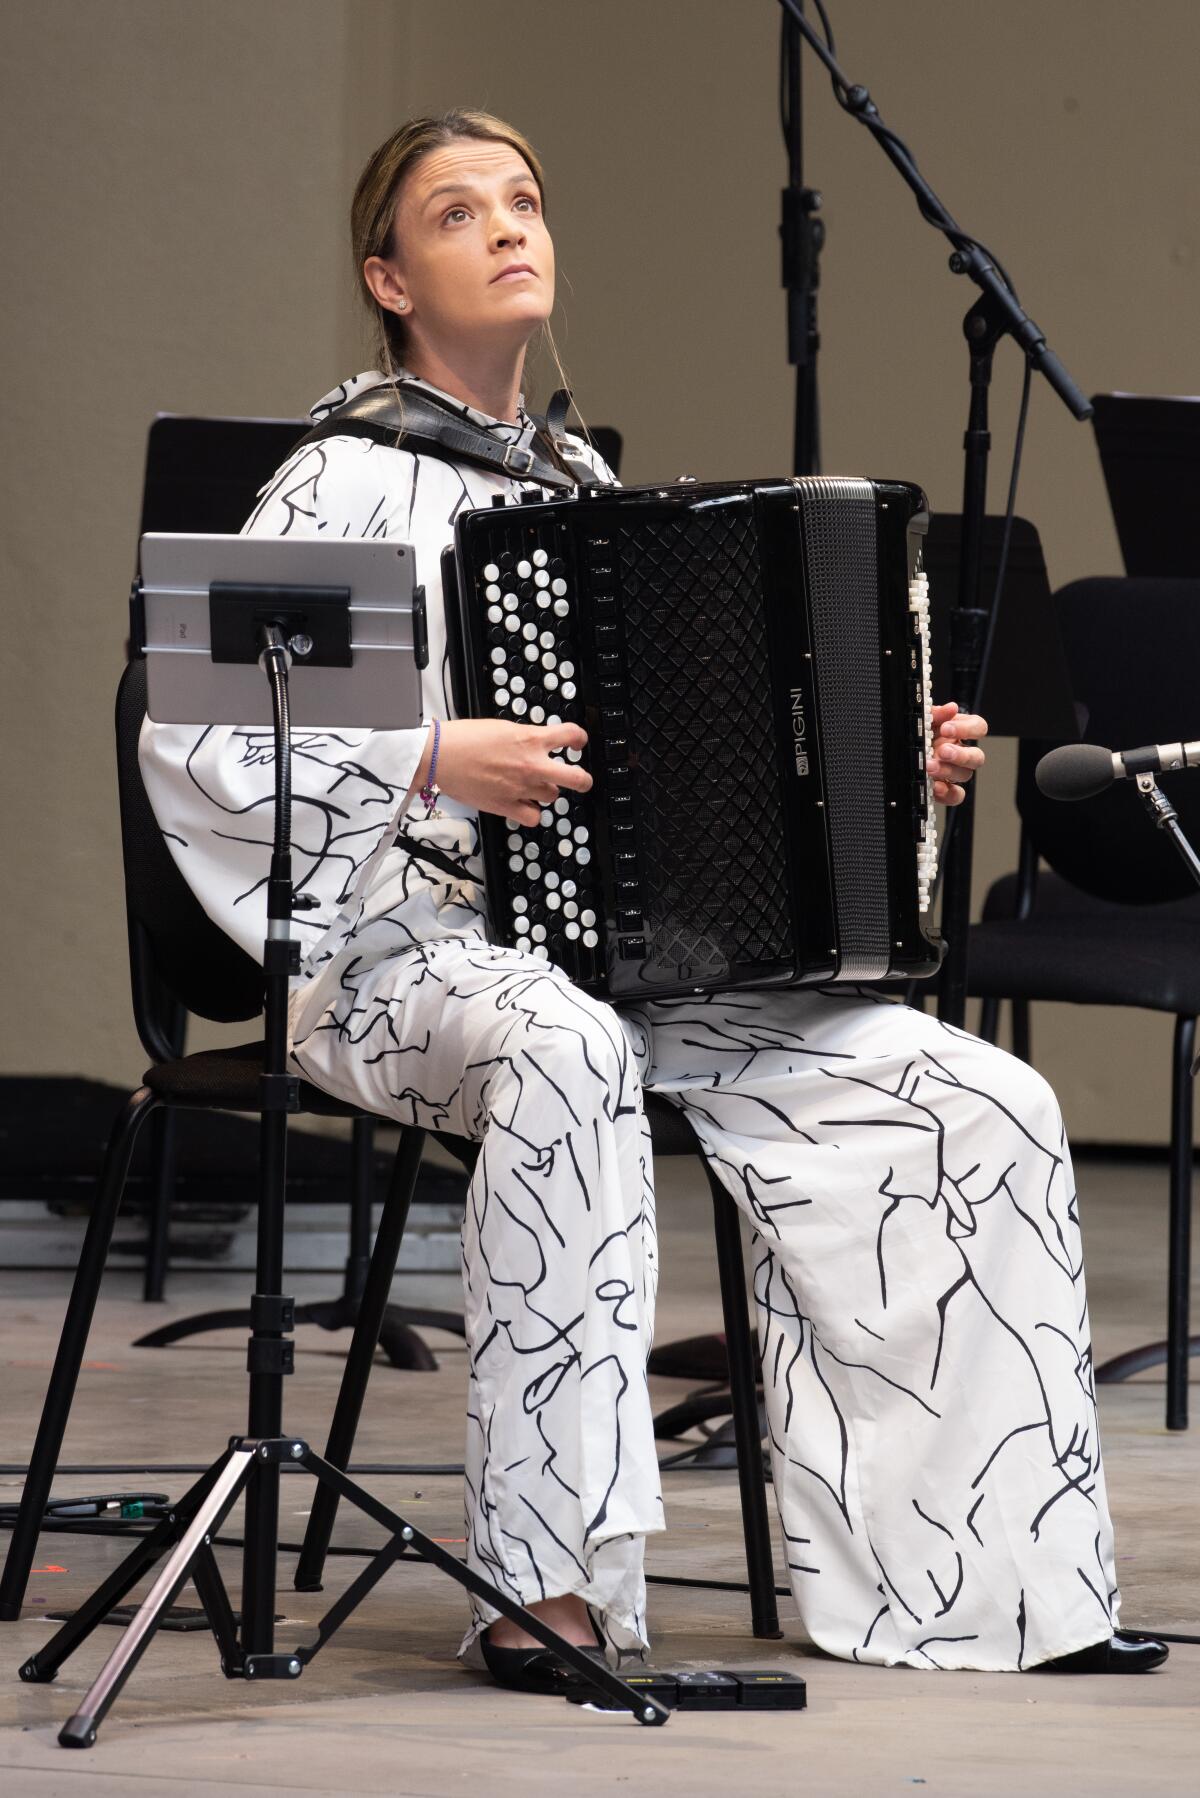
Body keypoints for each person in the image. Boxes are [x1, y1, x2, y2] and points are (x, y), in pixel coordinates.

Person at [140, 110, 1165, 1686]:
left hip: (615, 958)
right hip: (388, 961)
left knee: (973, 1097)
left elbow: (703, 780)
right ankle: (542, 1597)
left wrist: (897, 776)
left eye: (526, 199)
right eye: (456, 210)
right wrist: (428, 756)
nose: (506, 226)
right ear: (387, 276)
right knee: (566, 1055)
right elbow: (202, 732)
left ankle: (992, 1594)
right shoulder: (334, 479)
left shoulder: (587, 489)